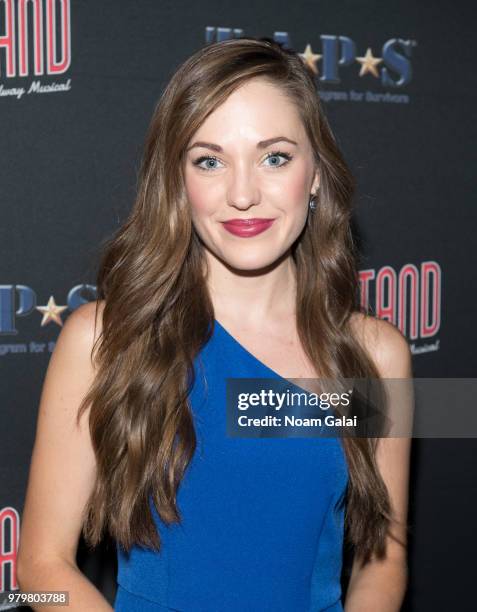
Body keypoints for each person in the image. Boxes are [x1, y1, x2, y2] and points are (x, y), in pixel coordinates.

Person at [17, 37, 412, 611]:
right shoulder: (104, 341)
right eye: (210, 160)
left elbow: (385, 553)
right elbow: (40, 565)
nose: (244, 194)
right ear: (178, 180)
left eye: (275, 157)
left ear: (318, 175)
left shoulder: (376, 355)